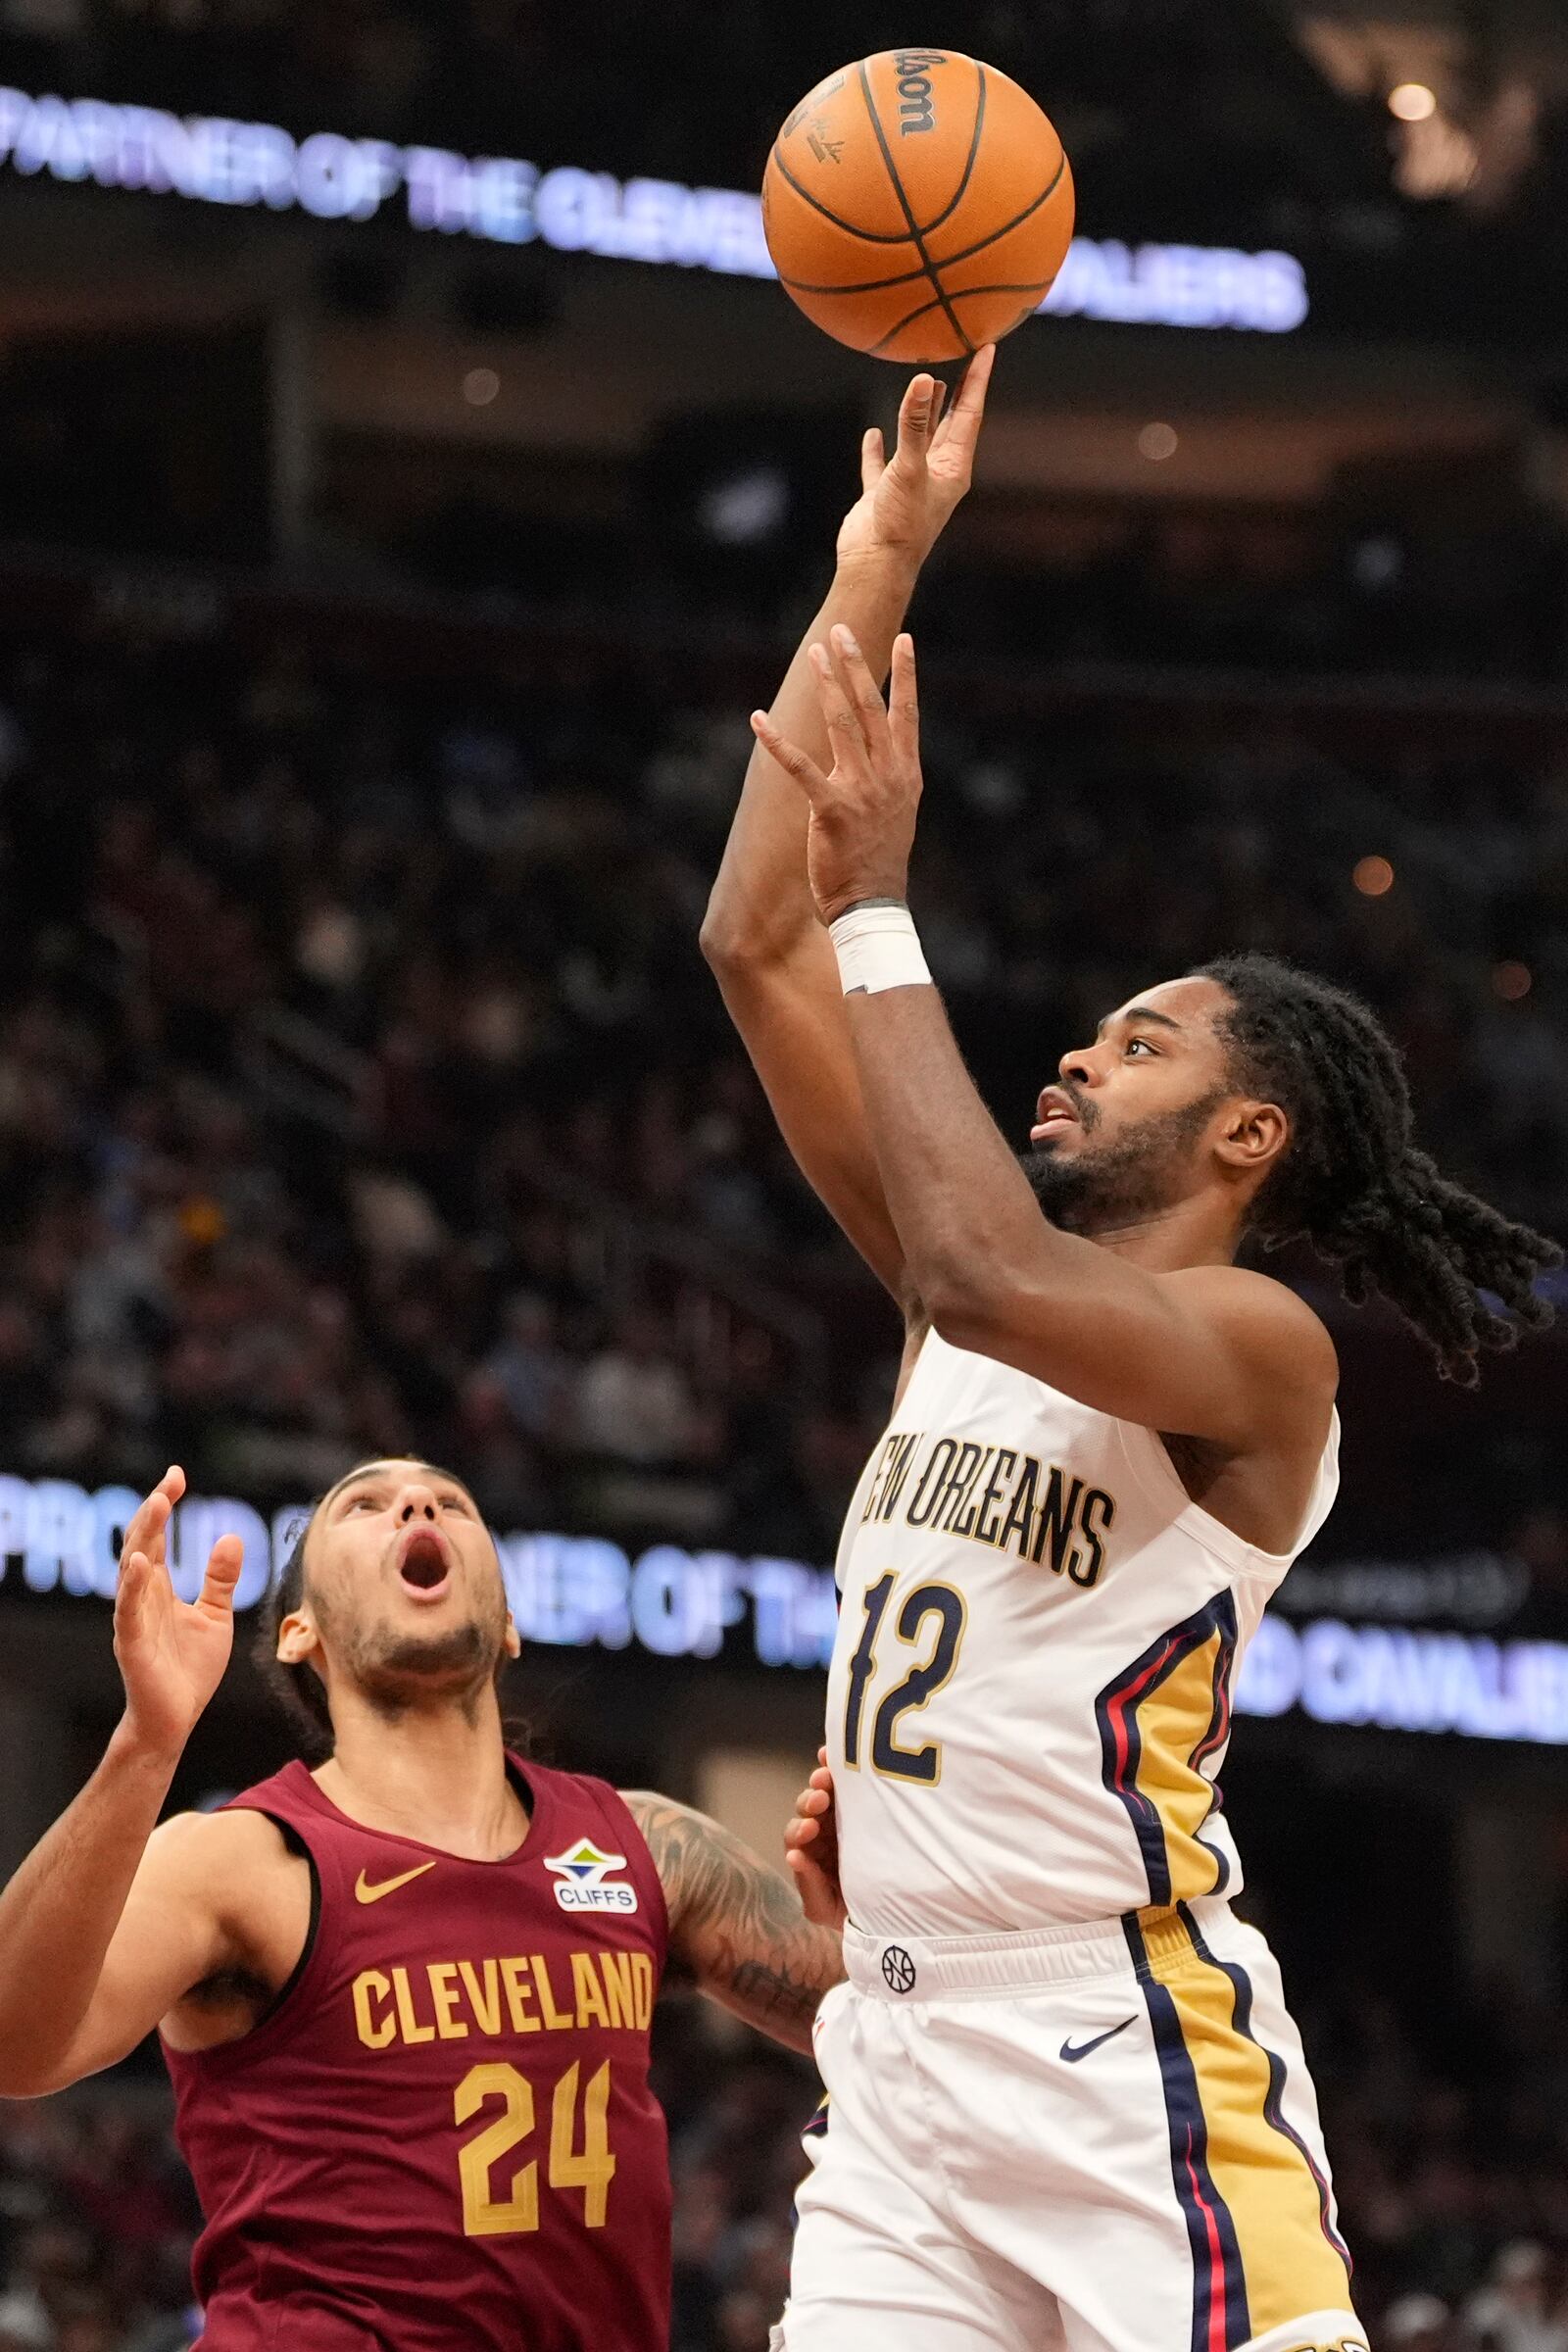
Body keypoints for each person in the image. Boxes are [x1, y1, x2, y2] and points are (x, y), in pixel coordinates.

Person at [703, 351, 1561, 2352]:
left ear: (1249, 1134)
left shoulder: (1256, 1349)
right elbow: (751, 947)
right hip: (901, 2056)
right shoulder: (947, 1285)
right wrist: (872, 570)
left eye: (1145, 1038)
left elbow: (998, 1276)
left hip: (1120, 2042)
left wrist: (889, 910)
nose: (1080, 1048)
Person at [0, 1457, 843, 2350]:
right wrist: (146, 1744)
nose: (416, 1503)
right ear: (299, 1632)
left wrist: (870, 1914)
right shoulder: (242, 1860)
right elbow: (15, 2047)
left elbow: (889, 2020)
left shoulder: (650, 1848)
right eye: (364, 1505)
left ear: (510, 1621)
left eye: (452, 1501)